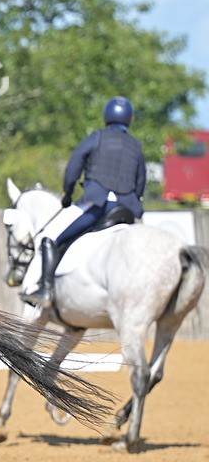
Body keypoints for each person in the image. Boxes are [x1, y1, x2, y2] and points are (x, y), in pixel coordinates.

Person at [21, 96, 147, 308]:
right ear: (129, 119)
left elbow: (73, 168)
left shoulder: (96, 137)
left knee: (49, 237)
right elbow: (141, 180)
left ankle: (46, 290)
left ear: (107, 116)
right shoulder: (136, 146)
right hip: (126, 208)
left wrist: (68, 195)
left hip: (96, 205)